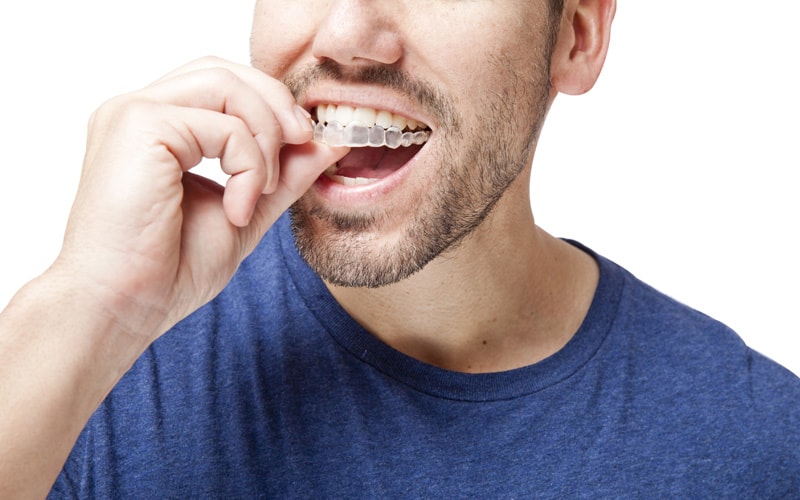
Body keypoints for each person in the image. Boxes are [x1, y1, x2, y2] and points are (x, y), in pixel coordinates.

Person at [0, 0, 797, 497]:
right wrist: (86, 304)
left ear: (578, 36)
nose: (349, 36)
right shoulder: (88, 379)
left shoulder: (762, 445)